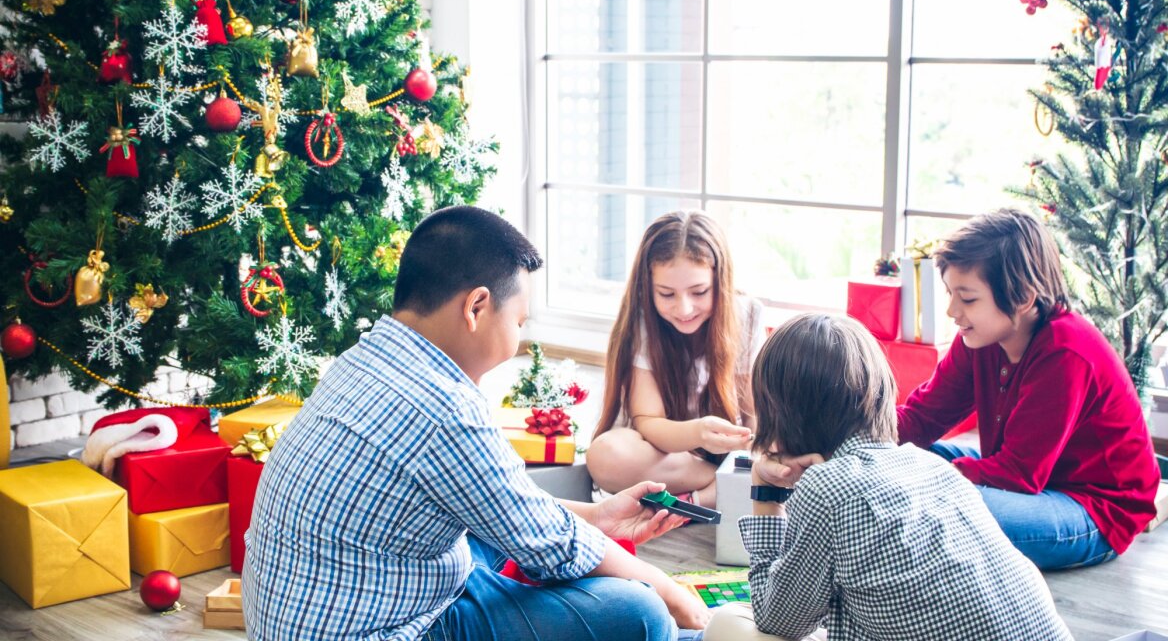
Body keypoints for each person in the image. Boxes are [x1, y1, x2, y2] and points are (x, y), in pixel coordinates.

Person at [242, 206, 710, 641]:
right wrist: (672, 594)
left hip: (316, 613)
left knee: (508, 540)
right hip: (389, 628)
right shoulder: (444, 407)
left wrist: (597, 517)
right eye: (519, 322)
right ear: (476, 307)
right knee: (640, 610)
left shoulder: (362, 359)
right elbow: (551, 543)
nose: (518, 338)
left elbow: (502, 504)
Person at [704, 313, 1073, 641]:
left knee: (725, 625)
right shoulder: (931, 466)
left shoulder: (827, 487)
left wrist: (766, 492)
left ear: (782, 412)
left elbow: (777, 619)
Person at [898, 208, 1159, 570]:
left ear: (1022, 298)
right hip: (1023, 479)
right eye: (950, 293)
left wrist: (922, 480)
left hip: (1090, 508)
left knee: (940, 502)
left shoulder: (1065, 351)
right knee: (902, 458)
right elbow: (922, 417)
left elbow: (1018, 472)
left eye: (968, 298)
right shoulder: (979, 337)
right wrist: (847, 441)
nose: (952, 311)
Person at [587, 210, 764, 507]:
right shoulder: (643, 321)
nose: (684, 309)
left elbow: (752, 414)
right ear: (648, 287)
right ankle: (723, 490)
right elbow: (649, 422)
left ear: (720, 281)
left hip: (719, 455)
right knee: (605, 455)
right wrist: (698, 433)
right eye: (667, 294)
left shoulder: (746, 314)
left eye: (699, 292)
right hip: (661, 452)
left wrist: (751, 448)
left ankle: (694, 500)